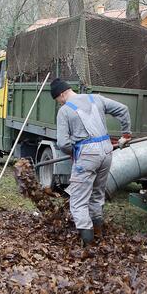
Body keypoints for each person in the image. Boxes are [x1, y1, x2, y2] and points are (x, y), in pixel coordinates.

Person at [52, 78, 132, 246]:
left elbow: (62, 143)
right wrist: (126, 135)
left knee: (78, 200)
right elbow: (123, 110)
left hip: (87, 155)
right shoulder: (97, 98)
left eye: (58, 100)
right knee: (97, 195)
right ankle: (98, 234)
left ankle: (88, 244)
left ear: (62, 94)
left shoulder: (65, 111)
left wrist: (73, 153)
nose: (59, 104)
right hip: (106, 151)